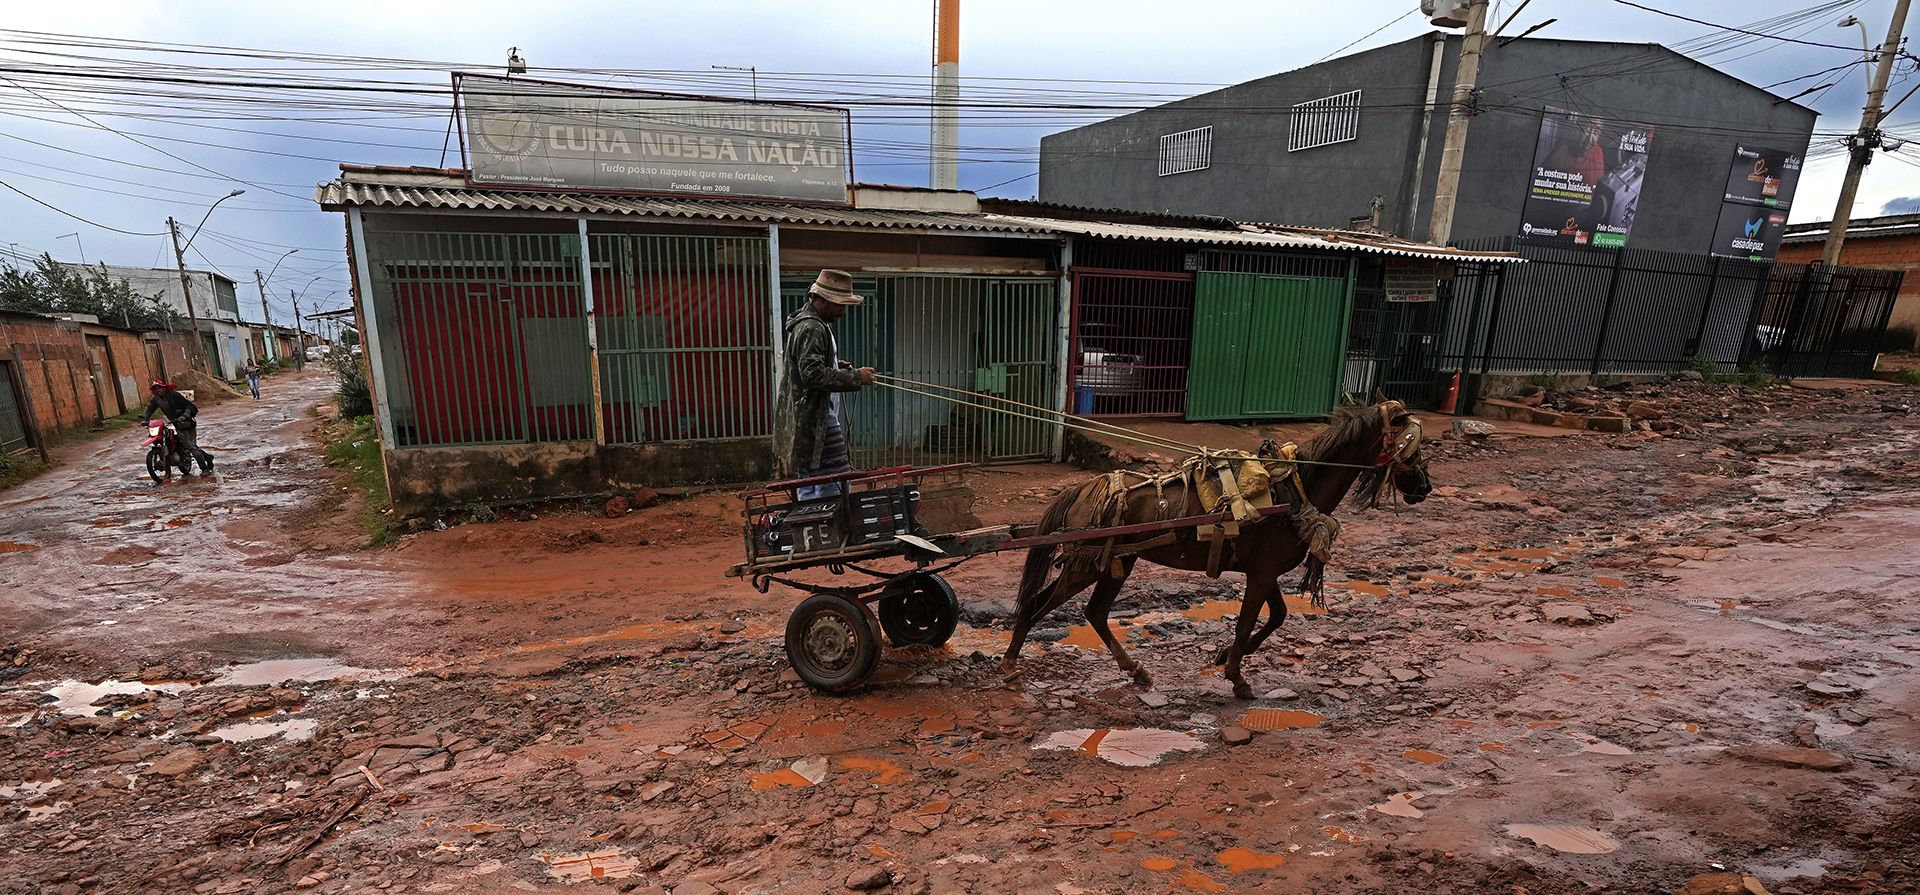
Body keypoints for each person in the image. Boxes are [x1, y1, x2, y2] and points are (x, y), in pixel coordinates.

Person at [773, 269, 874, 499]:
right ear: (824, 300)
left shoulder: (809, 323)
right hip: (815, 417)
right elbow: (812, 375)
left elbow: (806, 365)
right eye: (840, 305)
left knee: (809, 479)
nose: (842, 311)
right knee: (836, 479)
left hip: (805, 415)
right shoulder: (813, 327)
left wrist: (834, 364)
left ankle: (808, 526)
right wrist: (856, 377)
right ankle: (831, 523)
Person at [142, 380, 212, 471]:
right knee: (187, 445)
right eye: (155, 389)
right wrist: (144, 419)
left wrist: (185, 415)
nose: (158, 391)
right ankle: (208, 457)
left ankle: (204, 469)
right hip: (177, 424)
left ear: (164, 388)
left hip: (187, 423)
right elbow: (150, 408)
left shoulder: (173, 394)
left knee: (191, 446)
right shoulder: (156, 399)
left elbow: (189, 405)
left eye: (159, 388)